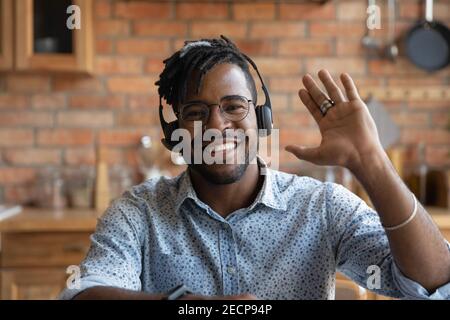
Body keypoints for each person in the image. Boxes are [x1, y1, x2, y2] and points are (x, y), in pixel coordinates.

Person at [60, 36, 450, 300]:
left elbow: (434, 283)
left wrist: (371, 161)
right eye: (196, 112)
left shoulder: (322, 206)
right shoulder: (139, 212)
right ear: (174, 130)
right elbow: (83, 292)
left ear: (261, 118)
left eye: (234, 106)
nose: (216, 126)